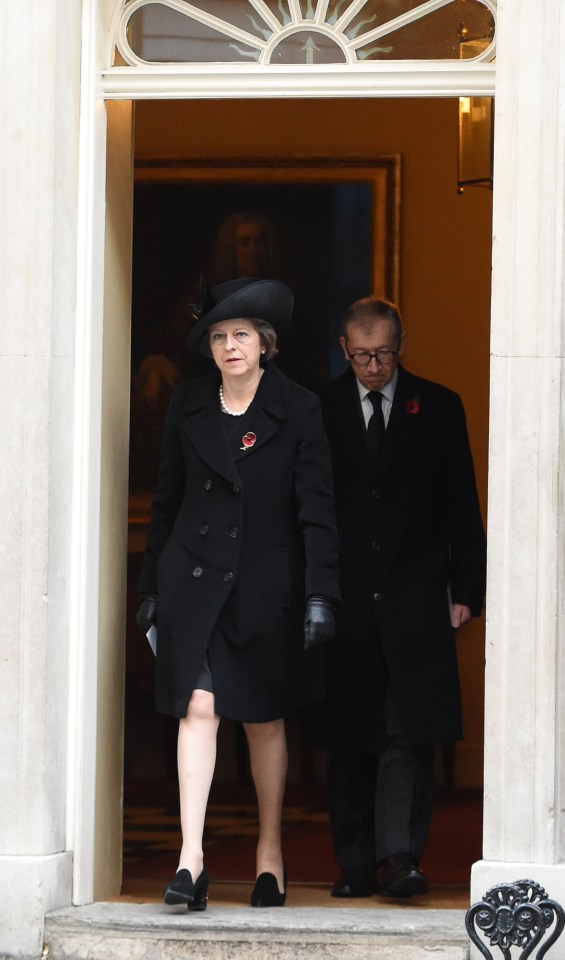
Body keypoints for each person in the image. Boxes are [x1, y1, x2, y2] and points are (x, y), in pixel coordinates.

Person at [136, 277, 340, 911]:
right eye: (219, 336)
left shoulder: (300, 407)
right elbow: (166, 502)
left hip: (264, 587)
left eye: (241, 335)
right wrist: (149, 591)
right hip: (192, 581)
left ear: (265, 345)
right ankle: (190, 862)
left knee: (261, 719)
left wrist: (320, 594)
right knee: (198, 708)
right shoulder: (189, 403)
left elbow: (318, 511)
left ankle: (269, 856)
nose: (229, 346)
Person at [321, 296, 486, 900]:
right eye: (362, 355)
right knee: (350, 733)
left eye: (383, 354)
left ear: (401, 345)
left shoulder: (438, 406)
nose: (372, 367)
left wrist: (467, 589)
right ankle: (355, 861)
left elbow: (462, 504)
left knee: (405, 728)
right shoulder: (321, 408)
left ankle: (399, 857)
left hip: (417, 593)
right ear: (344, 349)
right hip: (344, 598)